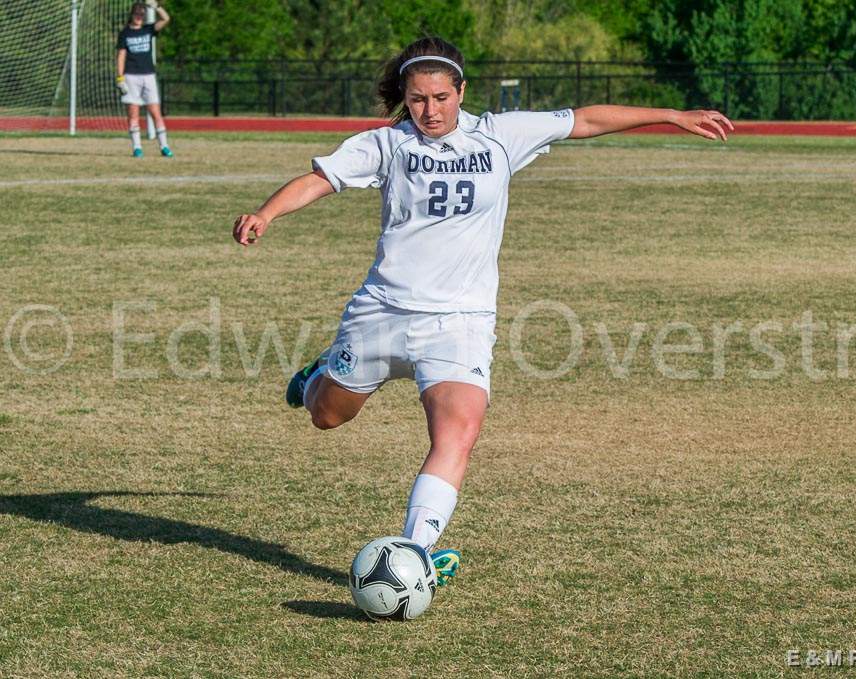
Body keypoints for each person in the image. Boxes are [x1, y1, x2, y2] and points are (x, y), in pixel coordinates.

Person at [231, 37, 733, 587]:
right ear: (405, 96)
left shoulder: (499, 135)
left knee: (458, 433)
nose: (430, 110)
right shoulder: (385, 145)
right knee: (328, 416)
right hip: (383, 313)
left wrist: (670, 114)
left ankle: (416, 553)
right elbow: (320, 180)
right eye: (418, 99)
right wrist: (267, 213)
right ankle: (315, 377)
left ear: (461, 91)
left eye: (441, 97)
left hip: (462, 322)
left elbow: (585, 119)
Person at [115, 0, 172, 158]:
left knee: (155, 112)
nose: (139, 16)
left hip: (148, 76)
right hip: (131, 76)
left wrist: (156, 6)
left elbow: (166, 19)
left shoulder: (148, 29)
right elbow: (121, 56)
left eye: (142, 14)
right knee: (133, 114)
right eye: (137, 13)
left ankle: (164, 146)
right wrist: (120, 78)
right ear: (132, 15)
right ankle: (137, 148)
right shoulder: (125, 33)